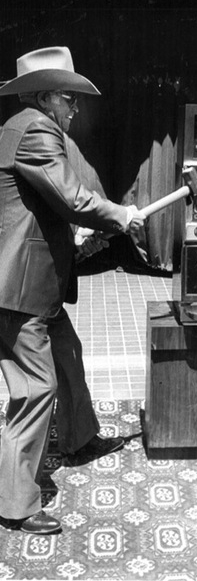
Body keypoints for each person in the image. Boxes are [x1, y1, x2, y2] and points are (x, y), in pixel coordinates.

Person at [0, 46, 146, 534]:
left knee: (67, 354)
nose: (75, 108)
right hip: (17, 287)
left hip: (33, 281)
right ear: (45, 97)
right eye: (69, 98)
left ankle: (79, 437)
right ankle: (16, 503)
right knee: (35, 388)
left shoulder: (17, 127)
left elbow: (36, 204)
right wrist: (120, 215)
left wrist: (73, 232)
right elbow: (71, 196)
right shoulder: (37, 130)